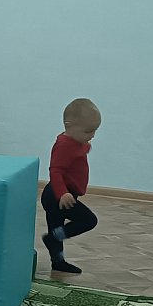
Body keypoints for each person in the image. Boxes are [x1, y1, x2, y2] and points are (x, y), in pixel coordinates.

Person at [42, 98, 101, 275]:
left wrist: (85, 147)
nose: (92, 135)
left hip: (63, 195)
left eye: (94, 131)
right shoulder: (64, 145)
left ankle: (58, 262)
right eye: (88, 131)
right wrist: (62, 193)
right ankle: (54, 239)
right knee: (88, 220)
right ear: (69, 126)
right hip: (58, 196)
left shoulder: (76, 142)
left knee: (56, 228)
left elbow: (76, 155)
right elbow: (56, 170)